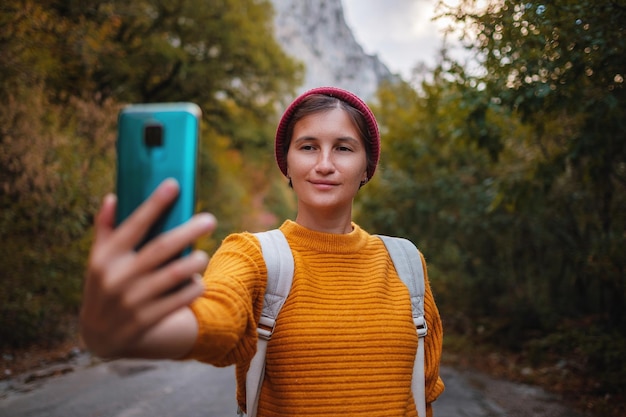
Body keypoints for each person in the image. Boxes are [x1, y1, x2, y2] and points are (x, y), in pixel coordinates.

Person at [80, 86, 445, 416]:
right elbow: (217, 321)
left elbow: (423, 395)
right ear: (286, 162)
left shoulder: (406, 262)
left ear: (367, 166)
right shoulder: (251, 253)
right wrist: (125, 333)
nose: (324, 164)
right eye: (308, 146)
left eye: (344, 148)